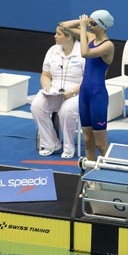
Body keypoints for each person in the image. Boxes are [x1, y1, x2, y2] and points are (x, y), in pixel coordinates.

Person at [60, 10, 115, 161]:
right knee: (88, 141)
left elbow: (85, 52)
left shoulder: (108, 45)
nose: (90, 25)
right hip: (84, 94)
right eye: (90, 23)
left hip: (97, 95)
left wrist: (83, 28)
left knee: (101, 144)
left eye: (93, 23)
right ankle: (90, 173)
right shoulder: (90, 37)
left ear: (102, 26)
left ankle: (109, 172)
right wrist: (82, 22)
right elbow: (63, 26)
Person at [31, 25, 85, 158]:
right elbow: (46, 74)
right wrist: (47, 88)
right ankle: (51, 143)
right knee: (36, 106)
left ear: (69, 36)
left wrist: (71, 93)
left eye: (58, 34)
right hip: (54, 91)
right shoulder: (52, 50)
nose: (54, 36)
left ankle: (69, 147)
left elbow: (88, 80)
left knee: (66, 111)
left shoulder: (83, 52)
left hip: (77, 92)